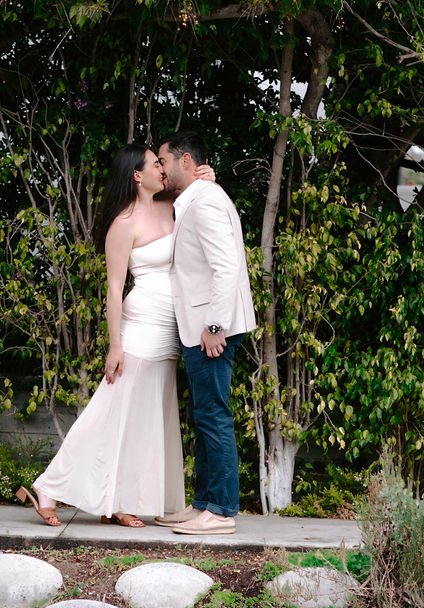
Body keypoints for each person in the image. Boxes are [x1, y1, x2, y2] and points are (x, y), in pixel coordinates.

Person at [18, 144, 208, 528]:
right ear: (138, 175)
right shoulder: (123, 224)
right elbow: (114, 287)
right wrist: (115, 345)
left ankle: (122, 501)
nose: (162, 168)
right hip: (139, 327)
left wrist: (206, 177)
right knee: (108, 411)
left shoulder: (171, 204)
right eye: (156, 164)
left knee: (145, 418)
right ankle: (49, 488)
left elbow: (196, 189)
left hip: (169, 326)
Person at [155, 129, 256, 535]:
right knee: (203, 415)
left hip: (211, 328)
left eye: (163, 161)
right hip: (202, 326)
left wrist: (215, 325)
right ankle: (203, 504)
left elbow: (226, 267)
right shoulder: (197, 198)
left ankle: (222, 510)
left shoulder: (206, 202)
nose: (160, 169)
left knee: (213, 415)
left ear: (184, 161)